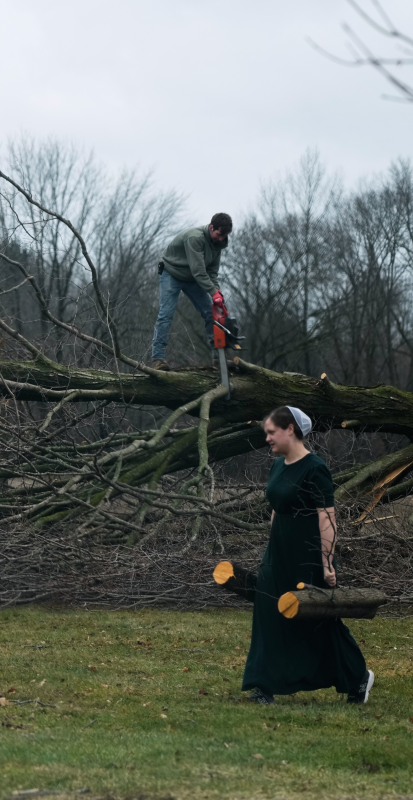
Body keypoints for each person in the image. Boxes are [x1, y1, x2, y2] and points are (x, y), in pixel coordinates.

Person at [241, 406, 373, 705]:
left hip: (309, 557)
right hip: (278, 554)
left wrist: (327, 563)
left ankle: (358, 678)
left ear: (290, 430)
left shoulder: (315, 468)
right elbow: (277, 509)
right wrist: (269, 550)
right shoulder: (278, 466)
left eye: (271, 432)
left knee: (319, 622)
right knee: (269, 615)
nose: (267, 439)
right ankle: (264, 686)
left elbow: (327, 519)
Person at [150, 213, 233, 371]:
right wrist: (212, 292)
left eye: (225, 235)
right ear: (211, 227)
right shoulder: (194, 238)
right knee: (166, 314)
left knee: (212, 313)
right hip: (172, 274)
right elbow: (198, 270)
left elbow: (212, 273)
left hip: (193, 278)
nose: (221, 238)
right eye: (219, 234)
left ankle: (218, 359)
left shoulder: (219, 244)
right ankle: (157, 359)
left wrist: (217, 293)